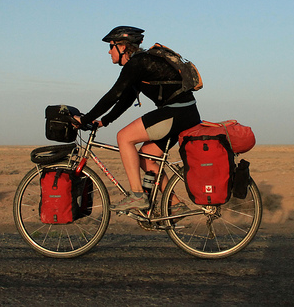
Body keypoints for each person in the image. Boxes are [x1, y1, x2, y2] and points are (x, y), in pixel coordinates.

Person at [75, 26, 201, 212]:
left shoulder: (137, 63)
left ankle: (137, 195)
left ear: (123, 46)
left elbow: (114, 94)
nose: (109, 51)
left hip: (176, 112)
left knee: (124, 137)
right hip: (185, 113)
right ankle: (175, 204)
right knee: (147, 158)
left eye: (111, 46)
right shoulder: (141, 63)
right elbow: (126, 99)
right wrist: (104, 120)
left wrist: (85, 119)